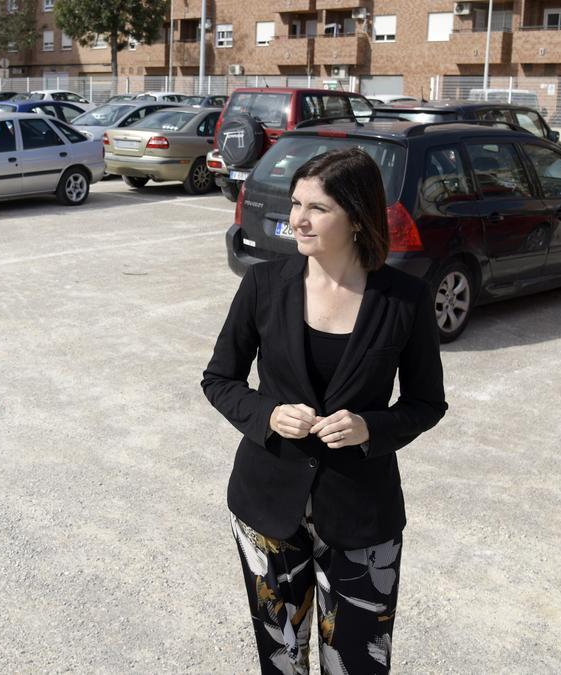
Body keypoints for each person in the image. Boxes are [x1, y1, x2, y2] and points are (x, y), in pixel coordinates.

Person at [201, 148, 447, 674]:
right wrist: (266, 414)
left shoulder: (404, 299)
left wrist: (369, 428)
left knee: (358, 663)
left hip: (362, 513)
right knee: (282, 658)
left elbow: (427, 403)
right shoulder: (264, 285)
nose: (297, 220)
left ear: (357, 217)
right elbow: (219, 379)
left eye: (317, 208)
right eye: (295, 204)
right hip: (267, 507)